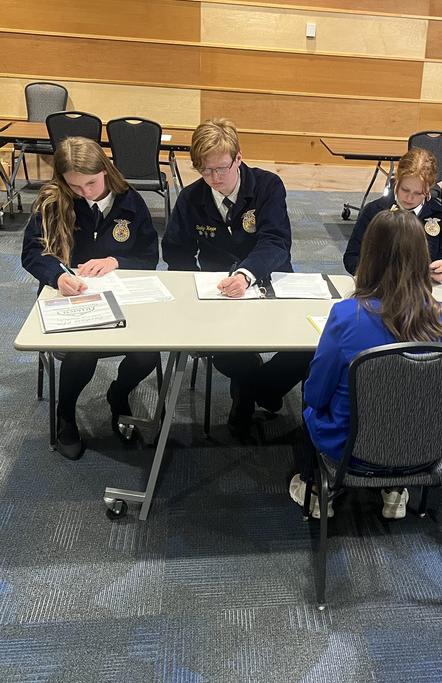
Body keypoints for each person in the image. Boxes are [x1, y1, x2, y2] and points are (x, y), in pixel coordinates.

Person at [291, 209, 442, 519]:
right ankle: (397, 491)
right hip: (426, 453)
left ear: (369, 256)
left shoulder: (347, 316)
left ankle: (318, 494)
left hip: (354, 454)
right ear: (423, 256)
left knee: (313, 402)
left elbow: (315, 396)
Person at [161, 117, 310, 436]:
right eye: (205, 170)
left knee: (309, 346)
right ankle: (251, 389)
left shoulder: (267, 186)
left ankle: (256, 389)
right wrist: (197, 288)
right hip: (218, 290)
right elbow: (176, 253)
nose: (214, 178)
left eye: (222, 168)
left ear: (238, 159)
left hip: (270, 279)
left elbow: (276, 241)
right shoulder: (191, 198)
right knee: (221, 350)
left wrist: (246, 274)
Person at [21, 137, 160, 461]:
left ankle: (118, 393)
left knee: (148, 355)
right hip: (72, 298)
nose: (85, 192)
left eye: (91, 183)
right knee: (81, 354)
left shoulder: (130, 201)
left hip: (123, 297)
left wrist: (117, 261)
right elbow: (32, 252)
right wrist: (58, 275)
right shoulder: (53, 200)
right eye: (75, 185)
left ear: (106, 170)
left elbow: (149, 256)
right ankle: (66, 414)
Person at [342, 148, 442, 281]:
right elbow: (351, 258)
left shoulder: (441, 215)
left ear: (429, 189)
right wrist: (373, 271)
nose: (410, 198)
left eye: (419, 193)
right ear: (397, 180)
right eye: (405, 189)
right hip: (380, 288)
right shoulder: (374, 211)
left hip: (424, 289)